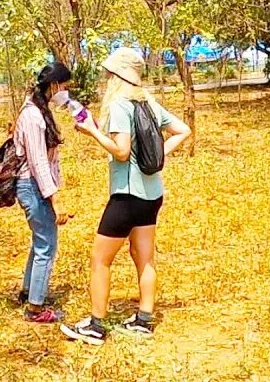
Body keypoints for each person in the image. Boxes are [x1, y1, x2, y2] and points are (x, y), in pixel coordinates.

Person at [61, 47, 191, 345]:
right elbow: (182, 130)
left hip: (127, 196)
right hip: (152, 194)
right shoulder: (148, 103)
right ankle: (144, 321)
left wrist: (92, 131)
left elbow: (121, 152)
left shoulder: (121, 105)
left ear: (117, 76)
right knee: (144, 257)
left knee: (99, 260)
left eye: (109, 74)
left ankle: (95, 326)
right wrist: (158, 156)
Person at [13, 62, 75, 324]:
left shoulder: (39, 112)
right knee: (46, 246)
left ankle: (29, 292)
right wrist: (55, 200)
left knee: (40, 242)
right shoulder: (33, 117)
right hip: (33, 187)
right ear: (54, 86)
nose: (66, 92)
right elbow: (38, 162)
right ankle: (35, 309)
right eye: (65, 87)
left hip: (35, 187)